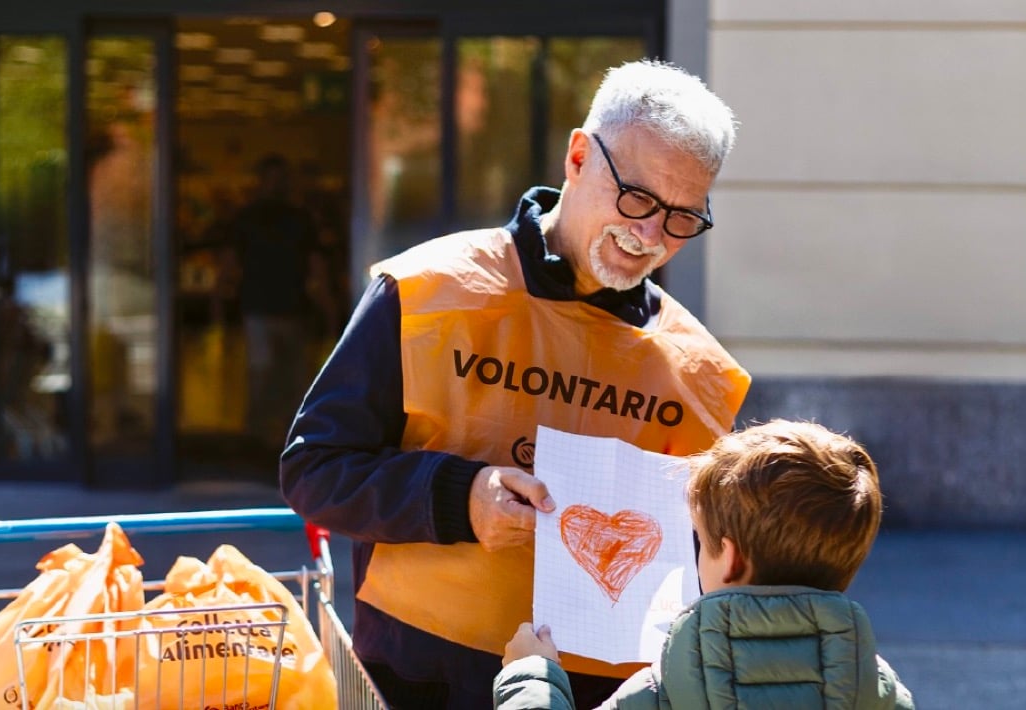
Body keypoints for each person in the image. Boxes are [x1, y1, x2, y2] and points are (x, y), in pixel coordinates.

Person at [279, 59, 752, 708]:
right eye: (638, 198)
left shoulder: (702, 376)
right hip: (414, 683)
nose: (649, 236)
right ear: (579, 157)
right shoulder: (427, 291)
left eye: (680, 218)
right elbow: (314, 471)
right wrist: (461, 499)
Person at [494, 420, 915, 709]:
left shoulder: (666, 689)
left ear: (730, 560)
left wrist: (532, 677)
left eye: (702, 541)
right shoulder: (879, 690)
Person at [232, 154, 317, 446]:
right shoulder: (252, 218)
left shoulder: (297, 218)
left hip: (285, 305)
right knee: (268, 372)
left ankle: (276, 433)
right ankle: (263, 432)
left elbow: (315, 263)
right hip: (265, 305)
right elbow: (232, 261)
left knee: (282, 373)